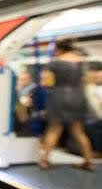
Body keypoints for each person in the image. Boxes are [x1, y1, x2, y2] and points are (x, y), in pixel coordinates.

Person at [39, 39, 95, 171]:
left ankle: (45, 160)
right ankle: (89, 161)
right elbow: (87, 79)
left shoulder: (54, 63)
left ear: (58, 49)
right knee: (78, 131)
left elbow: (45, 83)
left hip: (58, 96)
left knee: (54, 129)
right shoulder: (82, 61)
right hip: (77, 96)